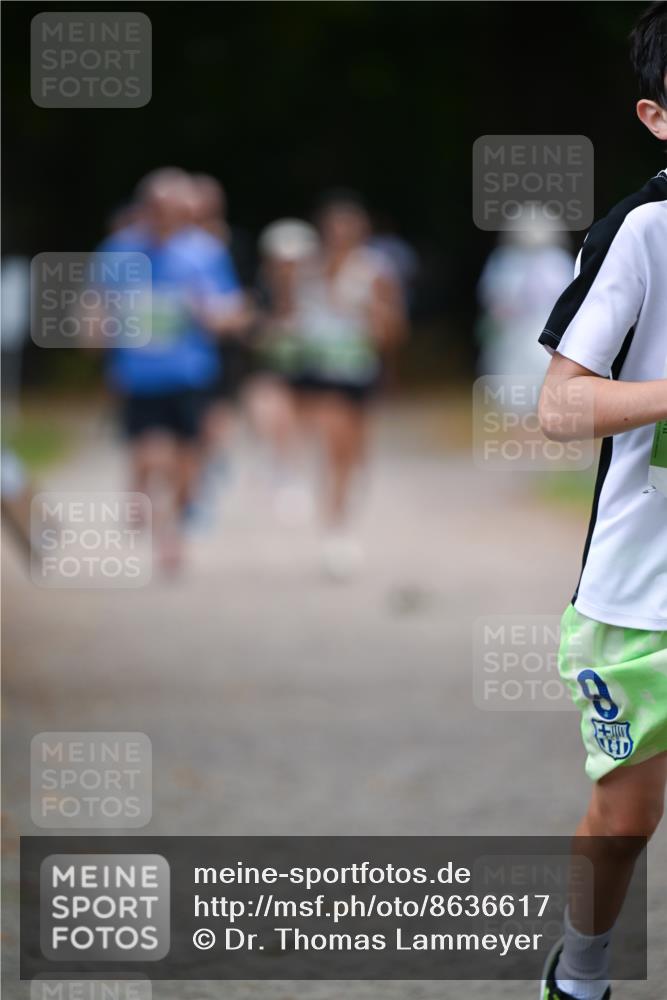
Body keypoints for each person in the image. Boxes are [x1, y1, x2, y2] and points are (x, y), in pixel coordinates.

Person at [537, 5, 667, 998]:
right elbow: (560, 403)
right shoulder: (642, 233)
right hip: (641, 596)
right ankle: (578, 978)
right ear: (656, 116)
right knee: (623, 823)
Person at [97, 167, 247, 570]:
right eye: (156, 206)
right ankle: (143, 494)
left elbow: (233, 310)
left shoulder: (205, 253)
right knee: (151, 452)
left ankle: (173, 533)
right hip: (138, 375)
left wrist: (213, 314)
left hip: (190, 374)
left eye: (174, 207)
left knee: (186, 464)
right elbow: (95, 305)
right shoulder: (118, 251)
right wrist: (95, 330)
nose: (164, 214)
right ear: (143, 208)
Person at [293, 191, 406, 577]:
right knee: (333, 443)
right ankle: (335, 529)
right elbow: (295, 317)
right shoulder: (307, 269)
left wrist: (374, 317)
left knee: (353, 451)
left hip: (358, 370)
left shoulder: (374, 270)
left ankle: (342, 510)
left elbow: (393, 330)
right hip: (319, 371)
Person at [244, 218, 320, 521]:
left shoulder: (318, 293)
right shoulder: (260, 294)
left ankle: (289, 473)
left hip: (308, 369)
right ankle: (278, 467)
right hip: (270, 370)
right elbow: (251, 336)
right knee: (270, 412)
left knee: (297, 426)